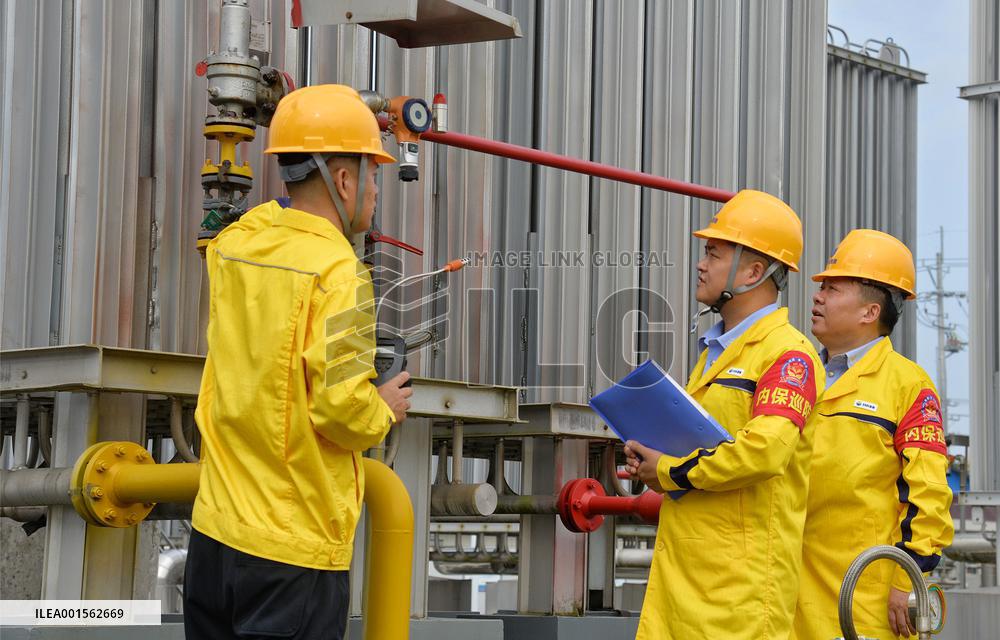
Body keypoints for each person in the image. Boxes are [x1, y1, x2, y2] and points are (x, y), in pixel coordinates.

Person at [183, 84, 413, 640]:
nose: (375, 191)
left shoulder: (236, 247)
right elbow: (341, 411)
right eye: (374, 175)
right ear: (344, 180)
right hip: (292, 551)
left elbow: (255, 223)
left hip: (214, 538)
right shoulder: (339, 274)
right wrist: (382, 407)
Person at [625, 189, 824, 639]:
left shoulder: (788, 355)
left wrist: (670, 468)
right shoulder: (716, 351)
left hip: (740, 598)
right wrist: (653, 462)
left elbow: (765, 451)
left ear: (754, 272)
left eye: (714, 254)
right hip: (689, 585)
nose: (701, 264)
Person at [792, 229, 954, 640]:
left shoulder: (908, 385)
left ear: (870, 312)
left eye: (832, 288)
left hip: (867, 597)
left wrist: (908, 575)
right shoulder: (799, 373)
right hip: (790, 592)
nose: (817, 296)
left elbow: (929, 494)